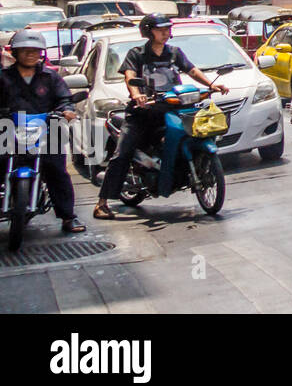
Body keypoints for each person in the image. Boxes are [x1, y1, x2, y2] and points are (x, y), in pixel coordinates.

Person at [94, 14, 228, 219]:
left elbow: (191, 70)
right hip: (142, 113)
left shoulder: (174, 53)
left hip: (171, 110)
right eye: (160, 29)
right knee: (122, 154)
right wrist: (136, 95)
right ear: (149, 31)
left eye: (167, 28)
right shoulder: (137, 54)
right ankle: (102, 203)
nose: (166, 32)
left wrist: (210, 85)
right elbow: (130, 76)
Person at [0, 29, 84, 233]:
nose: (30, 54)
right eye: (25, 50)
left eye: (35, 51)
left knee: (57, 170)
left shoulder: (51, 77)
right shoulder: (3, 77)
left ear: (42, 53)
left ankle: (68, 217)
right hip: (9, 130)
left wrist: (67, 110)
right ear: (15, 53)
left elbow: (64, 98)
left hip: (46, 130)